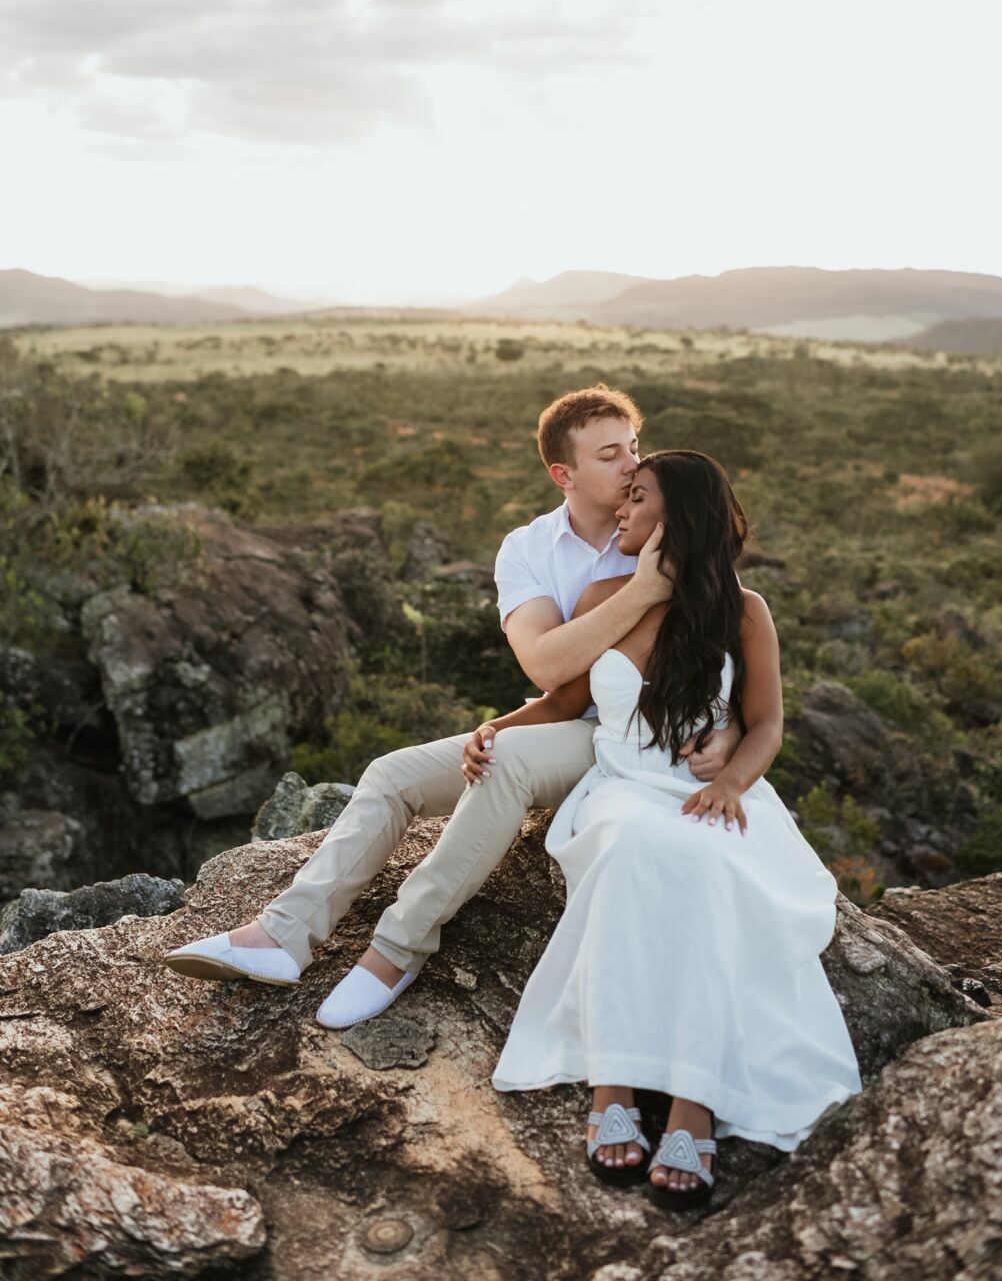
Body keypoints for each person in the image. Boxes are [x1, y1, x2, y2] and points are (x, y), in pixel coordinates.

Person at [163, 387, 743, 1025]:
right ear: (563, 473)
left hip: (622, 737)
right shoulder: (528, 550)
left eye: (634, 449)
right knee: (390, 775)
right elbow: (548, 667)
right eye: (611, 455)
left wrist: (734, 727)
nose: (633, 465)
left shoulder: (662, 524)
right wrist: (637, 597)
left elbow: (721, 634)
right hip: (558, 714)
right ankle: (283, 936)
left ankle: (398, 948)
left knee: (508, 763)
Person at [485, 451, 864, 1210]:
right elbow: (562, 704)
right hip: (622, 787)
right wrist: (492, 729)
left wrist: (729, 782)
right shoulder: (604, 593)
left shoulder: (745, 611)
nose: (618, 512)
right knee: (628, 851)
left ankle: (695, 1105)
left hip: (706, 795)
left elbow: (767, 725)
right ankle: (611, 1085)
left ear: (676, 518)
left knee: (709, 867)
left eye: (636, 498)